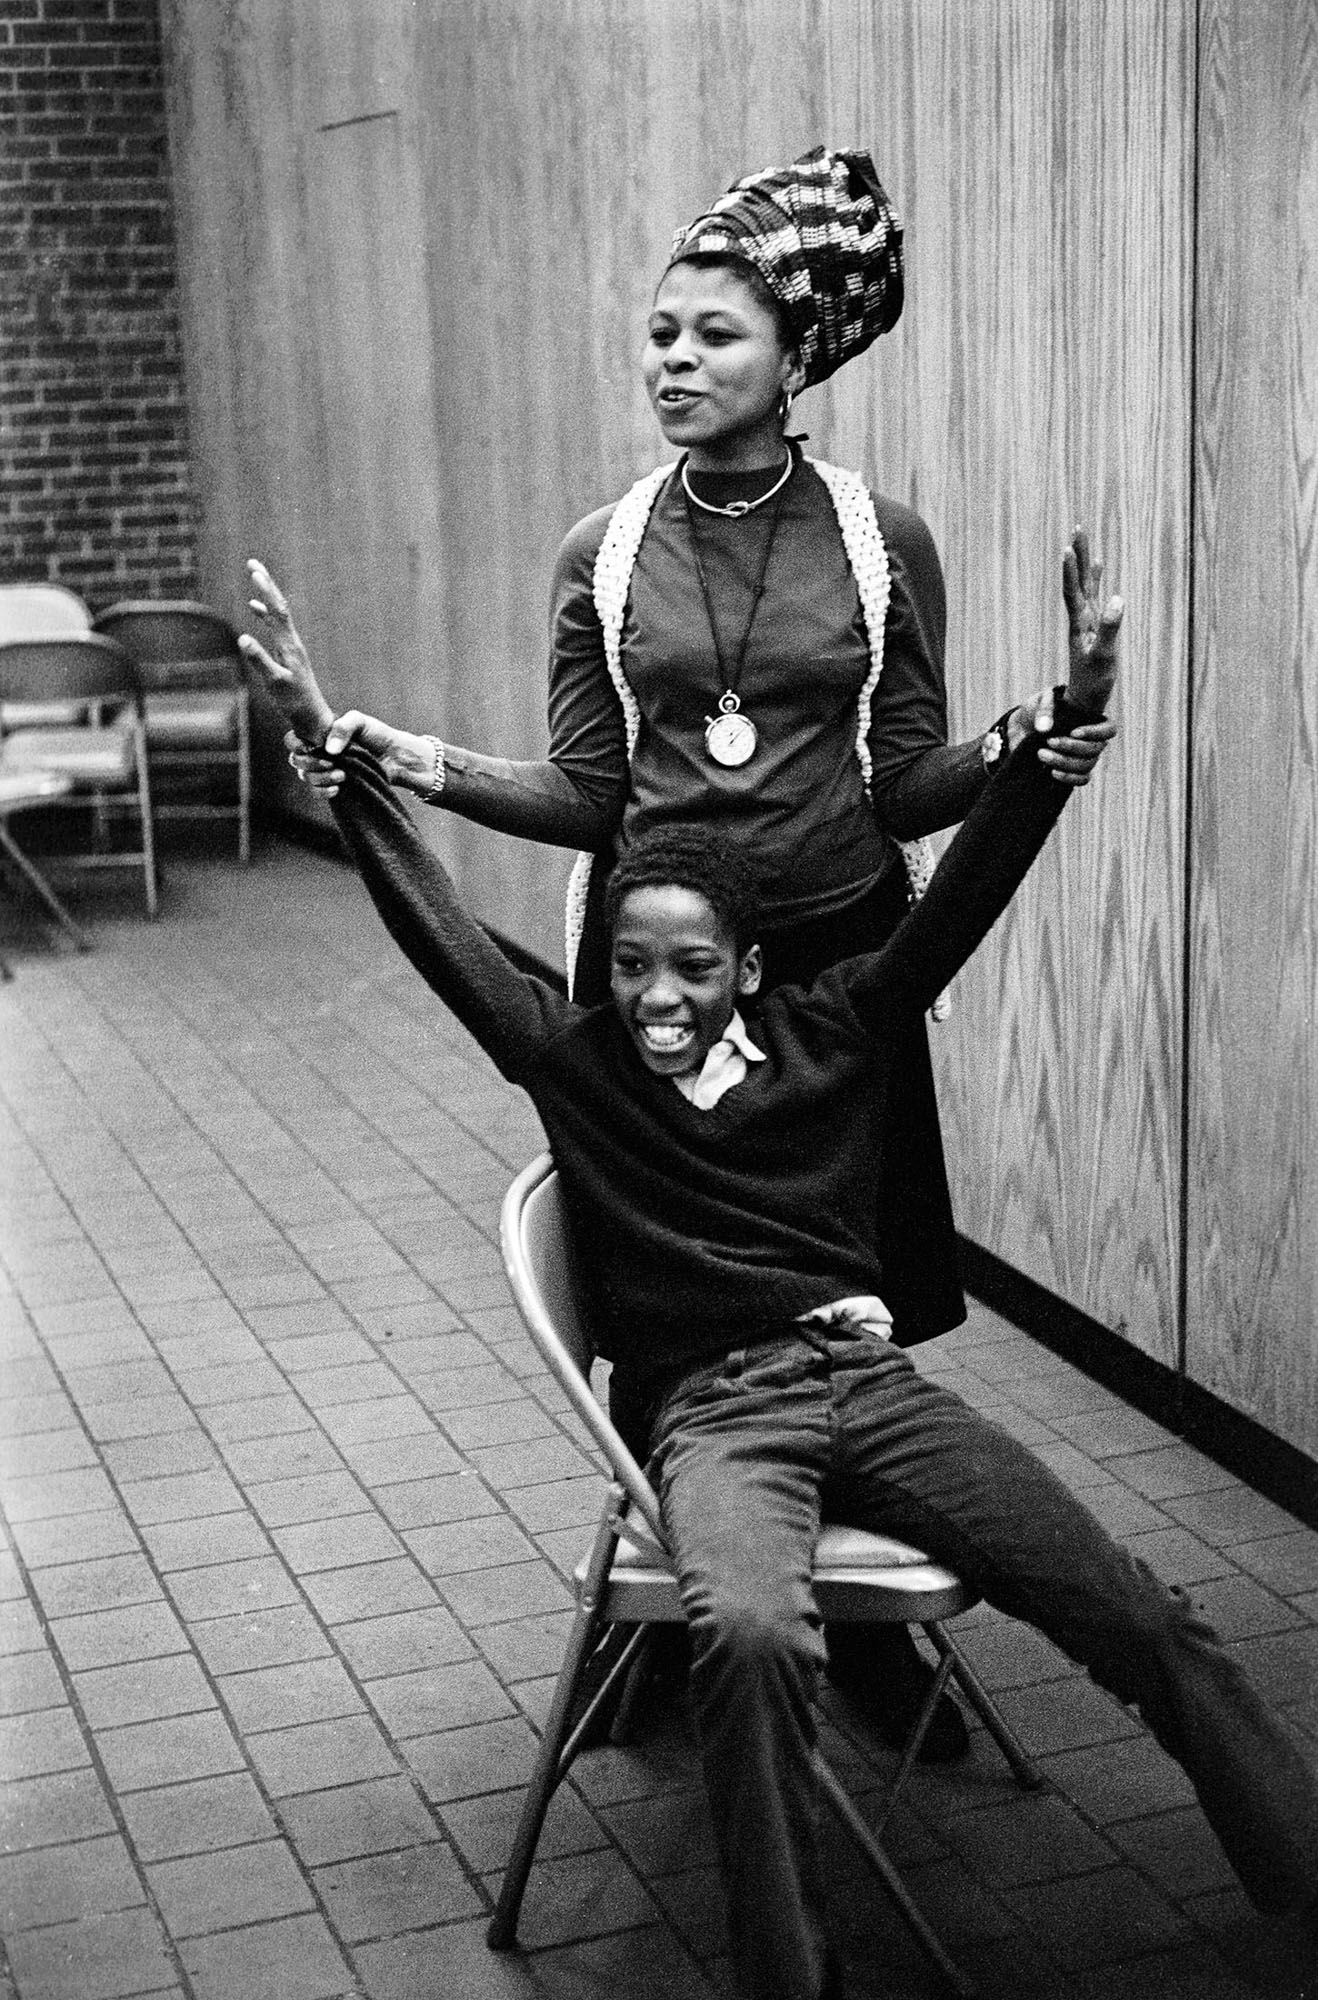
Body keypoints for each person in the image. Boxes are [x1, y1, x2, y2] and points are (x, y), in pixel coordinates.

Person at [240, 549, 1317, 2000]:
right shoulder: (577, 1062)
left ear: (747, 968)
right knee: (744, 1634)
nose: (657, 1000)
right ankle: (782, 1971)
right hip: (709, 1416)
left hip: (865, 1387)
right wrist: (332, 753)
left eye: (688, 969)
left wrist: (1060, 734)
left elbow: (959, 902)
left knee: (1135, 1612)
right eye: (629, 968)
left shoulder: (838, 1027)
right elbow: (438, 932)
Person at [282, 144, 1114, 1752]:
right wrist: (410, 762)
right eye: (658, 331)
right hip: (652, 967)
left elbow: (904, 782)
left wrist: (1031, 739)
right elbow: (592, 792)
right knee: (651, 1300)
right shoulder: (600, 551)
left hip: (846, 962)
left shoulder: (882, 543)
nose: (672, 358)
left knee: (865, 1281)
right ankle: (664, 1613)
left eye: (711, 334)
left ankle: (870, 1638)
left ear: (795, 358)